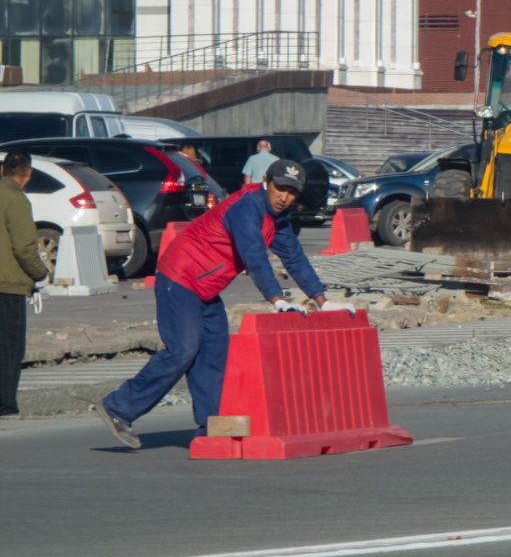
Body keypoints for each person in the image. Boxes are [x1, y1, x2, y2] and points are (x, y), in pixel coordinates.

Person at [90, 159, 354, 448]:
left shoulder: (278, 217)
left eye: (292, 192)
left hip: (206, 287)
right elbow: (254, 256)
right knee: (184, 350)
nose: (284, 197)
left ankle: (210, 427)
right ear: (266, 180)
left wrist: (322, 300)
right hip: (180, 276)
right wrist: (277, 299)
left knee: (214, 352)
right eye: (280, 188)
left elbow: (294, 258)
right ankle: (118, 408)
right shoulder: (246, 208)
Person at [0, 152, 49, 417]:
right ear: (28, 174)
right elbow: (24, 247)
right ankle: (5, 405)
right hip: (7, 285)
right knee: (8, 348)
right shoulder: (17, 200)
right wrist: (39, 274)